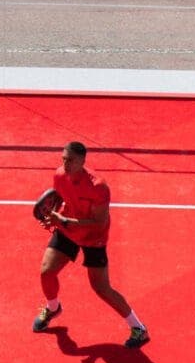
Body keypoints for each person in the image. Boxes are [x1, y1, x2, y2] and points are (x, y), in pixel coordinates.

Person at [31, 140, 149, 348]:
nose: (65, 164)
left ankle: (138, 328)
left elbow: (99, 222)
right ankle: (53, 307)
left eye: (71, 160)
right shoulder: (59, 175)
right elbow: (59, 199)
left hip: (94, 237)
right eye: (64, 159)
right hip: (67, 230)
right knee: (46, 272)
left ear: (83, 161)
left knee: (101, 288)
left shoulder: (98, 187)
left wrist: (63, 220)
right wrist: (52, 217)